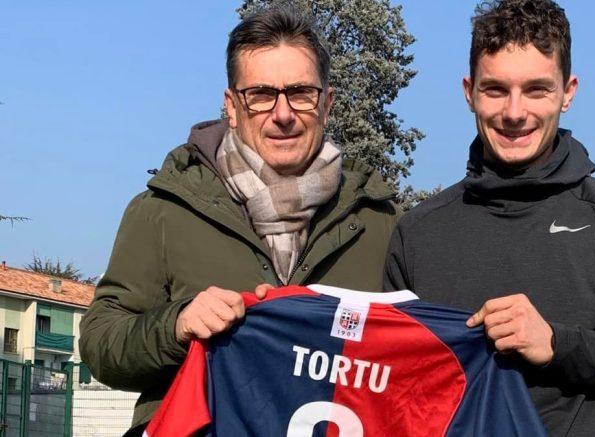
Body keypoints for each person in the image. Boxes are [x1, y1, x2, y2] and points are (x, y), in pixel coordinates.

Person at [383, 0, 595, 435]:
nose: (515, 113)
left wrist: (556, 344)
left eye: (537, 89)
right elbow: (390, 383)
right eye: (495, 89)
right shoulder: (418, 232)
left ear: (568, 92)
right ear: (469, 92)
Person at [79, 6, 400, 435]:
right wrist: (176, 325)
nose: (282, 114)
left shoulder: (380, 223)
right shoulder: (164, 210)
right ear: (231, 106)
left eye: (301, 93)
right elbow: (100, 345)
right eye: (261, 94)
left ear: (326, 104)